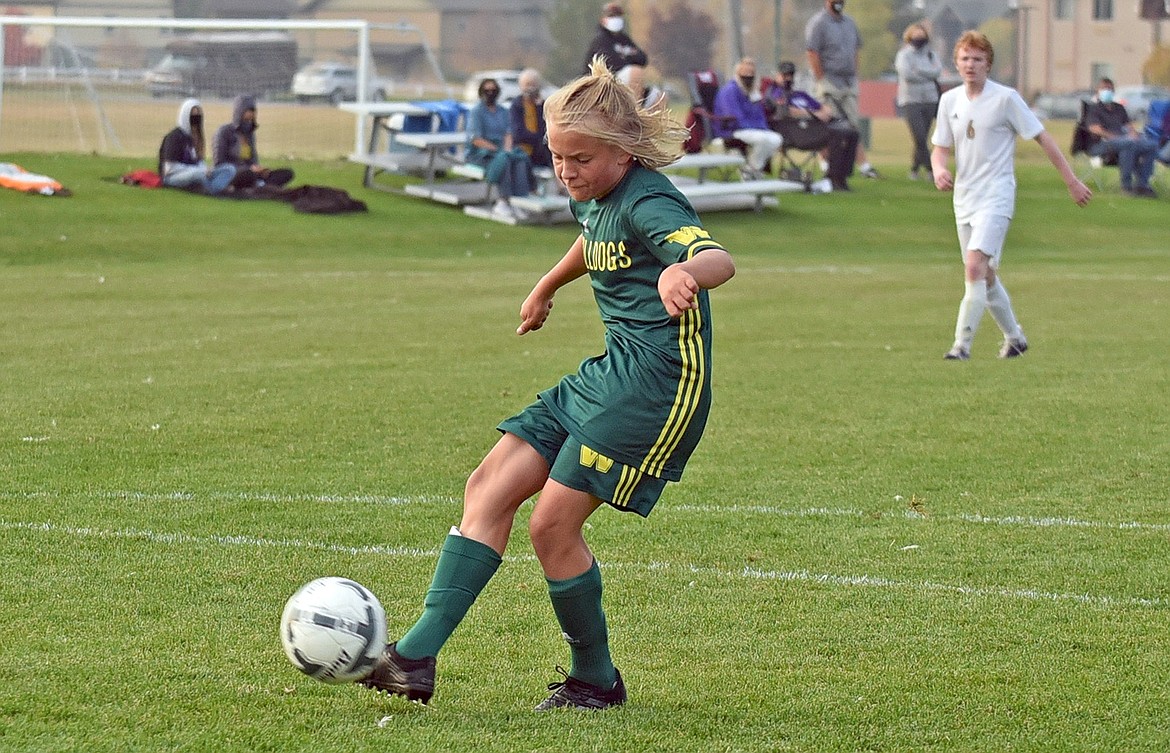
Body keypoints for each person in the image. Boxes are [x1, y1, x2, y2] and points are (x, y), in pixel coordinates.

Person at [358, 55, 735, 712]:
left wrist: (688, 274)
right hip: (609, 371)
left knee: (551, 526)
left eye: (581, 159)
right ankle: (413, 660)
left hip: (656, 388)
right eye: (558, 157)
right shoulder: (595, 193)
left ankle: (595, 679)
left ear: (622, 153)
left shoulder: (650, 199)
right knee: (488, 484)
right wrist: (546, 285)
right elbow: (592, 241)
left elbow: (715, 256)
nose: (566, 171)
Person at [931, 31, 1091, 361]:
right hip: (964, 198)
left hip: (997, 195)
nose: (970, 65)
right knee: (985, 275)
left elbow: (1044, 139)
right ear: (956, 63)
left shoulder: (1006, 98)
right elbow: (940, 148)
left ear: (989, 64)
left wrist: (1071, 181)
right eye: (964, 58)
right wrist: (939, 170)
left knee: (974, 268)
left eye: (977, 59)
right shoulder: (950, 101)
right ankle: (1015, 338)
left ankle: (961, 346)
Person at [805, 0, 878, 178]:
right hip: (829, 80)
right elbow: (812, 52)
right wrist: (821, 78)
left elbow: (855, 50)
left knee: (852, 125)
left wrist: (855, 74)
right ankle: (826, 162)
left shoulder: (850, 23)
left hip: (848, 82)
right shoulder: (818, 23)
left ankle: (863, 166)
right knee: (828, 124)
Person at [762, 60, 859, 191]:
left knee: (851, 133)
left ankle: (842, 176)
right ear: (778, 75)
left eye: (790, 75)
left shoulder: (800, 95)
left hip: (813, 128)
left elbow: (825, 110)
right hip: (795, 132)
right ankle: (833, 178)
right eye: (785, 75)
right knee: (836, 135)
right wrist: (811, 113)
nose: (788, 78)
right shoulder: (775, 92)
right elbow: (785, 111)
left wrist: (821, 113)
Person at [466, 77, 534, 219]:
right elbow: (476, 139)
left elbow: (508, 133)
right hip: (482, 153)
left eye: (493, 90)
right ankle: (503, 200)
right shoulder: (477, 112)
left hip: (502, 150)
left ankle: (519, 200)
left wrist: (507, 149)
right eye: (487, 90)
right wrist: (497, 150)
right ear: (481, 92)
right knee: (504, 160)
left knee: (519, 157)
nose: (490, 93)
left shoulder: (503, 111)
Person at [1084, 78, 1159, 197]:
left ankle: (1142, 184)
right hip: (1102, 144)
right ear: (1098, 91)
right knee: (1128, 144)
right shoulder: (1094, 109)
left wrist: (1134, 135)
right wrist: (1116, 137)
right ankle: (1126, 186)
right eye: (1104, 88)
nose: (1107, 91)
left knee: (1152, 145)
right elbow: (1095, 129)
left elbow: (1128, 126)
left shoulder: (1119, 108)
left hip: (1125, 141)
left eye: (1109, 88)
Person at [713, 57, 783, 180]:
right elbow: (735, 117)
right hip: (732, 130)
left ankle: (752, 169)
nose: (748, 77)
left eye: (751, 74)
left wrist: (763, 128)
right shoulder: (730, 91)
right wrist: (756, 128)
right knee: (762, 139)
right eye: (745, 73)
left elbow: (759, 115)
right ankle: (753, 173)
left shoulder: (753, 92)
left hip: (752, 129)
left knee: (776, 139)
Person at [212, 95, 294, 191]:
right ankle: (259, 185)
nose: (251, 114)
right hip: (231, 173)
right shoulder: (224, 132)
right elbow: (219, 163)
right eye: (249, 111)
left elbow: (253, 160)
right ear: (239, 112)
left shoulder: (250, 134)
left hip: (251, 173)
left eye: (253, 111)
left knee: (287, 173)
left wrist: (260, 170)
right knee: (248, 174)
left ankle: (260, 184)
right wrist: (247, 169)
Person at [894, 22, 942, 181]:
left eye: (922, 36)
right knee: (919, 135)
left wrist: (919, 71)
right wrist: (926, 74)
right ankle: (931, 169)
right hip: (911, 100)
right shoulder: (904, 55)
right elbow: (907, 74)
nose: (919, 39)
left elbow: (937, 71)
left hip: (930, 98)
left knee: (924, 136)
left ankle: (914, 169)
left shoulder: (931, 54)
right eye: (916, 36)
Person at [158, 98, 235, 194]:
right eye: (193, 114)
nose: (196, 117)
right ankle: (214, 189)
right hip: (172, 177)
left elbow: (198, 161)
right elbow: (170, 168)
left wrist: (206, 169)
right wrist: (199, 171)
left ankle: (213, 188)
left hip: (196, 172)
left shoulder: (195, 137)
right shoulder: (174, 137)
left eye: (198, 114)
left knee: (229, 169)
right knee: (199, 175)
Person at [582, 1, 647, 79]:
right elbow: (610, 62)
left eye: (618, 16)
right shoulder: (600, 40)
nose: (615, 19)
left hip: (619, 80)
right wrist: (628, 57)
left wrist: (624, 58)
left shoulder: (624, 39)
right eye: (611, 16)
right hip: (599, 82)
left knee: (638, 76)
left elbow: (642, 59)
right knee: (634, 73)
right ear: (603, 19)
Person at [509, 68, 552, 168]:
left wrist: (539, 107)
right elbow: (518, 133)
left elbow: (546, 129)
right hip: (523, 150)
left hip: (541, 150)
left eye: (533, 84)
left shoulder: (543, 105)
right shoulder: (517, 105)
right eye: (527, 84)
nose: (530, 88)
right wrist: (538, 138)